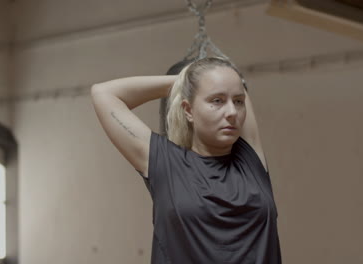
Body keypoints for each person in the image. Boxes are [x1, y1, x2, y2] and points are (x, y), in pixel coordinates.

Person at [91, 56, 282, 263]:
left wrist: (207, 83)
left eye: (238, 102)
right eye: (216, 100)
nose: (232, 112)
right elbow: (103, 93)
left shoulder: (251, 158)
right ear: (189, 110)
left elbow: (237, 85)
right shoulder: (165, 163)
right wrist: (187, 81)